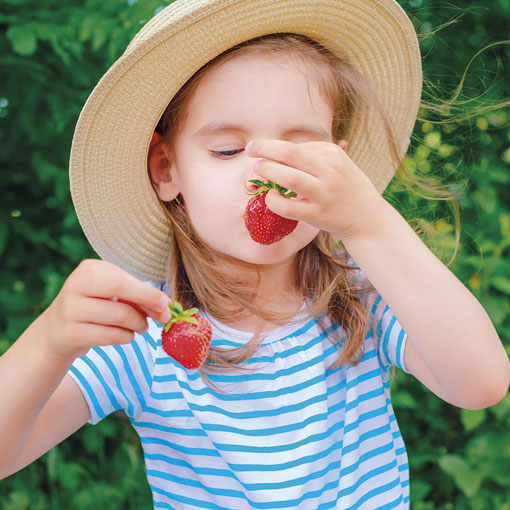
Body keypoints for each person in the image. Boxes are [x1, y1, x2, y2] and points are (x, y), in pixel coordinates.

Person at [0, 0, 508, 508]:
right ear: (165, 169)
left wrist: (368, 221)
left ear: (341, 168)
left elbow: (480, 383)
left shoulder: (362, 291)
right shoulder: (148, 331)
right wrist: (49, 342)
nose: (265, 176)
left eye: (302, 150)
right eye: (227, 149)